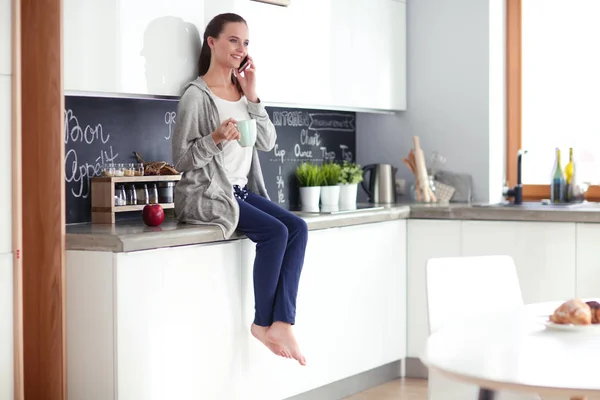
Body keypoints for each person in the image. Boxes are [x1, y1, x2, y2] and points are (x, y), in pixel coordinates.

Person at [172, 13, 308, 366]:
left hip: (240, 192)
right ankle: (263, 323)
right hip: (208, 194)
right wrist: (216, 138)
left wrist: (252, 95)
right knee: (276, 233)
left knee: (298, 228)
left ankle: (282, 321)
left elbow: (266, 141)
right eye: (233, 40)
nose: (240, 48)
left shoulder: (242, 92)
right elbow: (182, 159)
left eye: (245, 42)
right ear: (212, 42)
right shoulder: (195, 96)